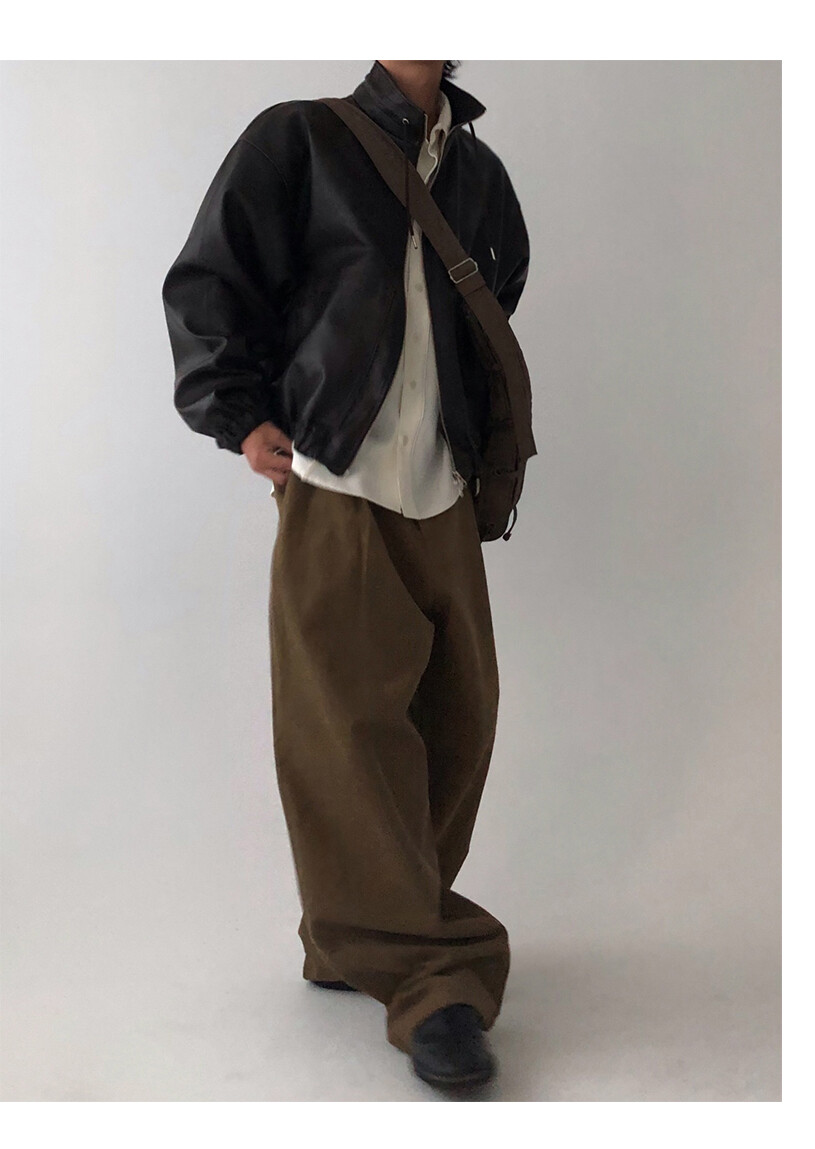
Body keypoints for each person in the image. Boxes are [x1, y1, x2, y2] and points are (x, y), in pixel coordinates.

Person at [162, 59, 530, 1090]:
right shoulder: (301, 139)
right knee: (347, 733)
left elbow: (493, 299)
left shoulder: (479, 173)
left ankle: (353, 929)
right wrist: (240, 413)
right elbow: (213, 277)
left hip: (442, 483)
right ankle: (430, 980)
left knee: (460, 717)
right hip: (338, 476)